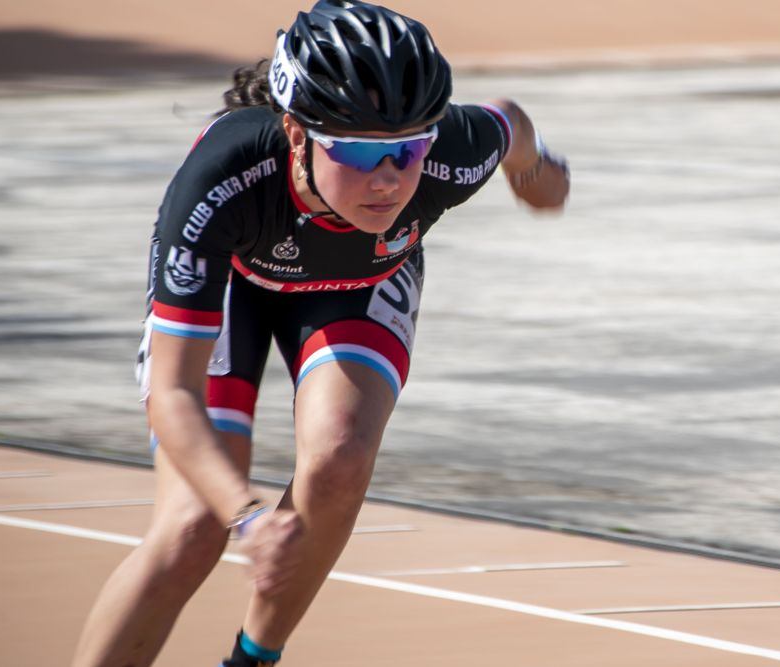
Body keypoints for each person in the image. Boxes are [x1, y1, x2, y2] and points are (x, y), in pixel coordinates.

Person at [71, 1, 569, 665]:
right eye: (359, 151)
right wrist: (247, 516)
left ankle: (253, 658)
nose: (388, 177)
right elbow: (173, 394)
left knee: (340, 457)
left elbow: (510, 122)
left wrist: (535, 176)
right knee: (193, 525)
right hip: (235, 283)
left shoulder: (455, 151)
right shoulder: (224, 178)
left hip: (358, 283)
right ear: (296, 133)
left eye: (409, 148)